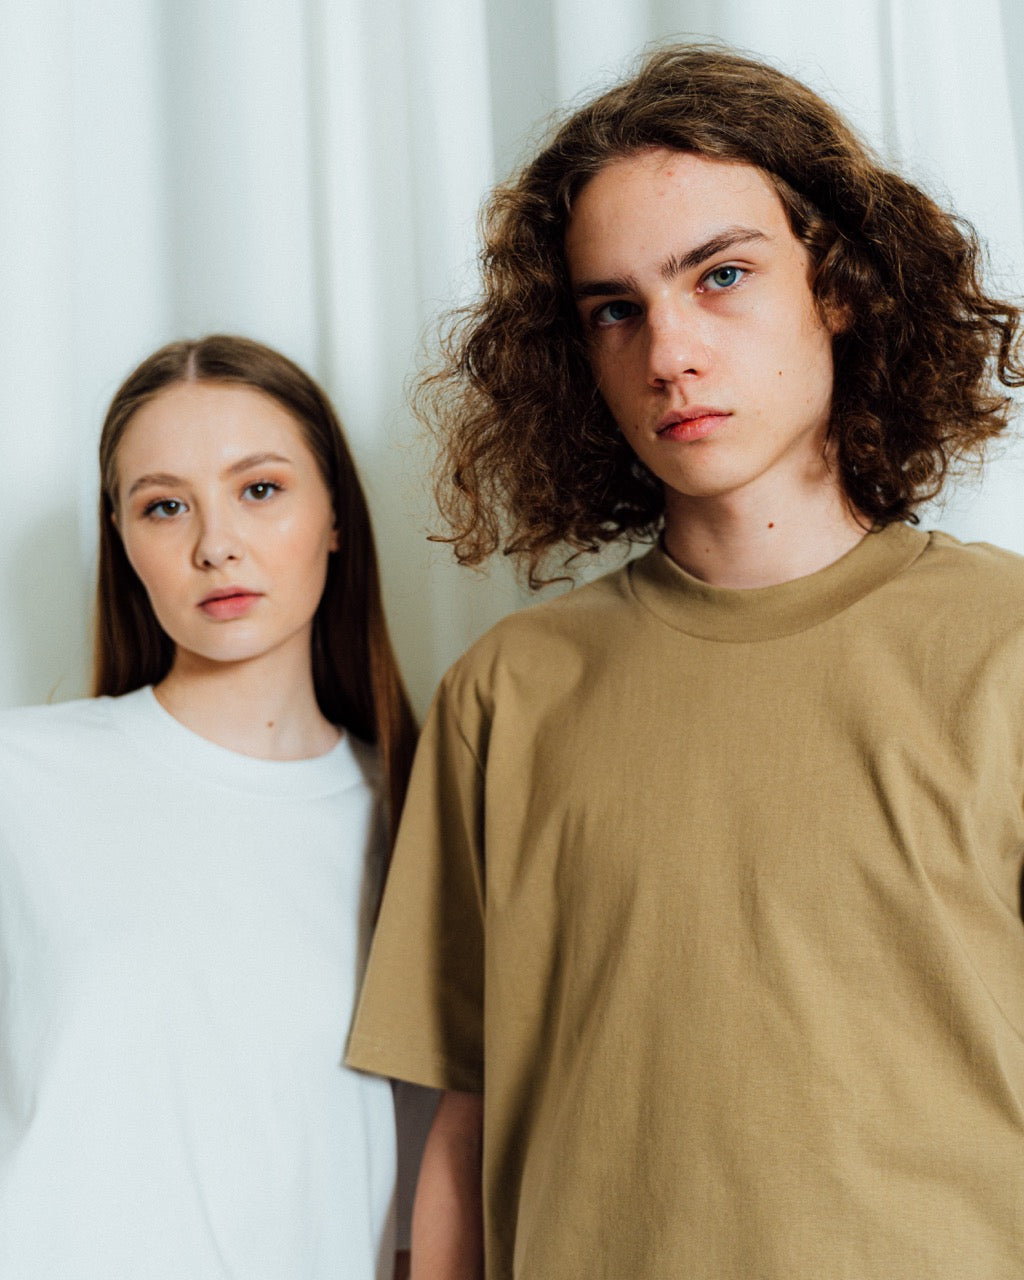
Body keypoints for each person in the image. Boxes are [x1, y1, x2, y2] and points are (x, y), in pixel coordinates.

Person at [345, 44, 1024, 1280]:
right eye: (616, 308)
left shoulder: (1004, 645)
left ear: (840, 286)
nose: (669, 353)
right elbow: (461, 1122)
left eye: (721, 275)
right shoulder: (507, 691)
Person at [0, 335, 423, 1279]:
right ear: (122, 540)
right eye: (165, 505)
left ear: (336, 517)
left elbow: (421, 1210)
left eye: (260, 489)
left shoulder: (417, 820)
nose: (215, 544)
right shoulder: (18, 782)